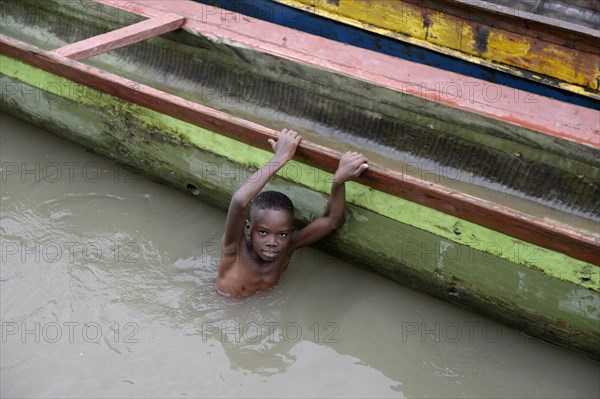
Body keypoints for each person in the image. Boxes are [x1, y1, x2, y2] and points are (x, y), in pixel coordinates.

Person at [215, 128, 368, 297]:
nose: (272, 242)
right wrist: (280, 157)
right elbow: (238, 201)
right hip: (222, 304)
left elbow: (332, 221)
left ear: (291, 232)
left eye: (282, 234)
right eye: (263, 232)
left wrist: (339, 181)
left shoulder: (289, 246)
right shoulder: (234, 249)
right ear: (248, 228)